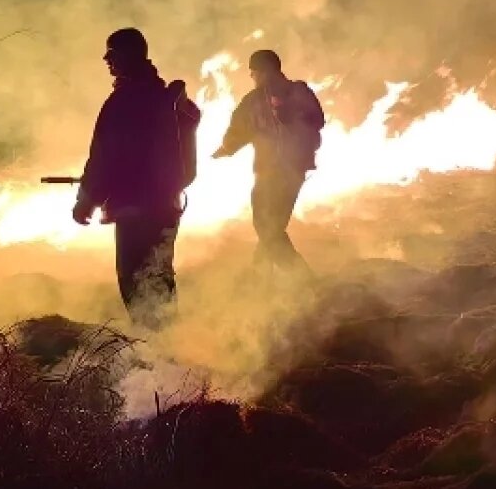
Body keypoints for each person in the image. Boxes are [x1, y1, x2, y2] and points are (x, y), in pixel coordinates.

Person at [72, 28, 200, 330]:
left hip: (134, 209)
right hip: (168, 206)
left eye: (112, 53)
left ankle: (151, 350)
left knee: (134, 279)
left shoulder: (123, 102)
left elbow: (104, 157)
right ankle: (172, 352)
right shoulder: (164, 97)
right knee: (160, 276)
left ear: (128, 55)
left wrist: (86, 200)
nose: (107, 59)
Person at [212, 49, 324, 277]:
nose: (253, 78)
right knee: (271, 228)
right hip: (290, 171)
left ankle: (304, 279)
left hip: (276, 172)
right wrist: (226, 148)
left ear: (261, 72)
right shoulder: (297, 91)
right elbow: (318, 120)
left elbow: (238, 130)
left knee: (267, 228)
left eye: (253, 74)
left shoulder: (260, 99)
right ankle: (262, 275)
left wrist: (226, 148)